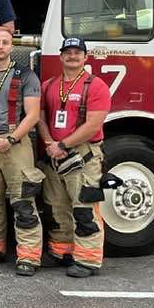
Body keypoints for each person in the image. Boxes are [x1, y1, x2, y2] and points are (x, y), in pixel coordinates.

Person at [0, 28, 46, 276]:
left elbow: (33, 114)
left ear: (11, 46)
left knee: (23, 200)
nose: (0, 46)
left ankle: (28, 257)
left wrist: (11, 139)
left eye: (5, 42)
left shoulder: (26, 75)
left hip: (15, 144)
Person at [37, 38, 111, 278]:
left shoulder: (96, 86)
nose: (72, 56)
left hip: (83, 155)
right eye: (67, 52)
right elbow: (40, 117)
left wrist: (62, 145)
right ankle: (62, 252)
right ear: (60, 57)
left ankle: (88, 260)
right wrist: (50, 143)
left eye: (77, 52)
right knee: (57, 206)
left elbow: (93, 125)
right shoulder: (49, 85)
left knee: (84, 207)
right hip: (54, 155)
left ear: (85, 57)